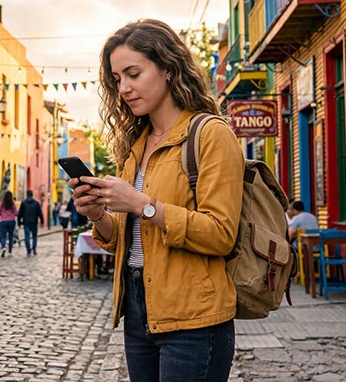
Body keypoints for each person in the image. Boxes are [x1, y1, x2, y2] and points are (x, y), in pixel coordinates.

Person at [69, 19, 242, 381]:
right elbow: (125, 239)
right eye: (117, 79)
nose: (125, 88)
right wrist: (98, 213)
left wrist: (142, 204)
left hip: (194, 317)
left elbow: (221, 233)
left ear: (167, 68)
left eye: (133, 73)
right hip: (137, 309)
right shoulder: (135, 145)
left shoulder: (210, 134)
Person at [17, 190, 44, 256]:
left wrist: (19, 222)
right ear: (32, 195)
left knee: (27, 236)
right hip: (34, 222)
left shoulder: (23, 203)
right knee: (34, 236)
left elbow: (20, 213)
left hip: (26, 222)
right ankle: (34, 249)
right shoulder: (36, 203)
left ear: (27, 194)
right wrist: (42, 221)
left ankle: (28, 250)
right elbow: (40, 213)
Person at [0, 191, 18, 257]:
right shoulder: (12, 203)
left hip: (4, 221)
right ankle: (10, 251)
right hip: (11, 221)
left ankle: (3, 247)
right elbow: (16, 213)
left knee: (3, 236)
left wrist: (2, 214)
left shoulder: (2, 203)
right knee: (11, 236)